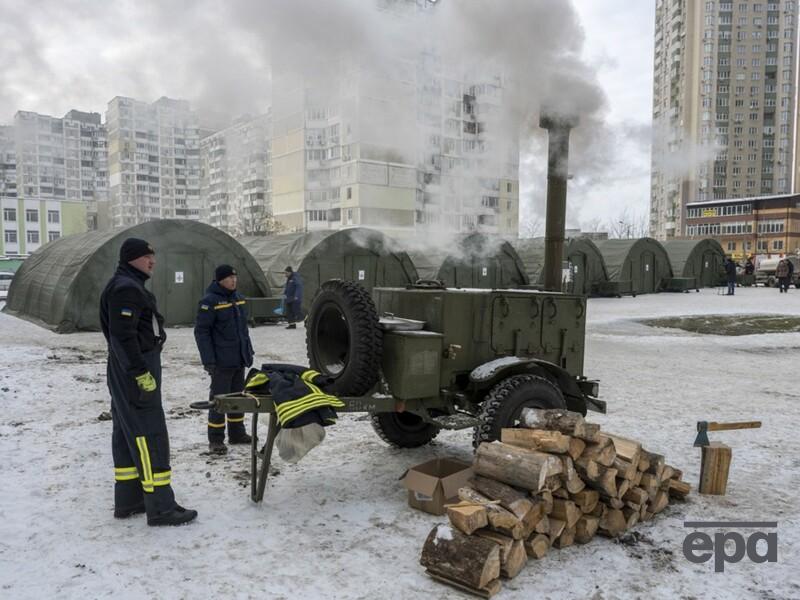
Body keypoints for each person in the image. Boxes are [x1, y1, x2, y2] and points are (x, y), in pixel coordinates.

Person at [100, 238, 197, 526]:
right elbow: (123, 336)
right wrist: (139, 372)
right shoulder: (126, 289)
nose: (152, 261)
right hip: (135, 370)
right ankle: (161, 506)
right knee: (148, 434)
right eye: (146, 257)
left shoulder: (127, 284)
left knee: (126, 431)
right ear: (132, 258)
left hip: (127, 368)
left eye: (153, 256)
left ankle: (130, 499)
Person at [194, 265, 254, 454]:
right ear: (219, 280)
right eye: (229, 278)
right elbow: (201, 332)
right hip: (221, 361)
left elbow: (243, 331)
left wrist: (248, 352)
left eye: (235, 277)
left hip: (239, 358)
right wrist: (209, 360)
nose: (233, 281)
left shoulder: (239, 299)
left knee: (238, 397)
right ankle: (216, 439)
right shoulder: (209, 302)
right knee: (219, 401)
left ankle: (237, 433)